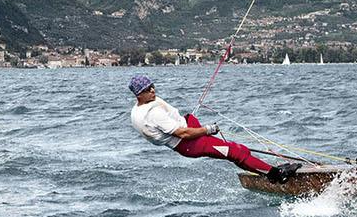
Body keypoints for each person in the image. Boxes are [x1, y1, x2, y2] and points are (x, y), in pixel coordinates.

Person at [126, 74, 300, 177]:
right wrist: (208, 129)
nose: (153, 91)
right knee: (236, 152)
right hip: (189, 144)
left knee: (240, 150)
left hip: (188, 134)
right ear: (138, 94)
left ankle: (262, 169)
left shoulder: (143, 105)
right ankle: (276, 176)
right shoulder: (152, 114)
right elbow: (183, 134)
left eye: (152, 86)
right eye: (147, 90)